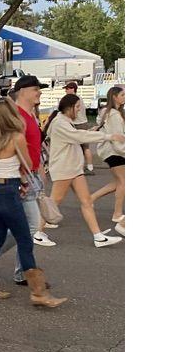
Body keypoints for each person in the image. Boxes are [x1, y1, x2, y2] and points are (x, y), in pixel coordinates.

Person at [0, 100, 65, 308]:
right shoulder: (16, 137)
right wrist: (24, 182)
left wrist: (21, 181)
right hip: (8, 192)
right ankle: (39, 293)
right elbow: (28, 164)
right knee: (25, 239)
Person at [0, 76, 48, 286]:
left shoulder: (21, 120)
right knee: (25, 232)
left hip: (3, 185)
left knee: (2, 234)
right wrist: (26, 180)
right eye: (35, 89)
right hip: (13, 184)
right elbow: (21, 159)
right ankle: (34, 286)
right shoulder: (17, 126)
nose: (39, 92)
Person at [44, 94, 124, 248]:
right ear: (69, 108)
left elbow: (78, 135)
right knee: (53, 203)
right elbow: (79, 136)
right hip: (64, 168)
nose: (79, 111)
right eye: (77, 107)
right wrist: (109, 136)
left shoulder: (64, 121)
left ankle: (98, 236)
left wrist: (97, 132)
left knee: (86, 201)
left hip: (72, 168)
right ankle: (36, 232)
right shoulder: (60, 123)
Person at [90, 86, 125, 235]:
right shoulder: (114, 114)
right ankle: (117, 213)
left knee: (119, 182)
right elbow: (117, 137)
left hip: (110, 150)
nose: (124, 97)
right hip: (114, 151)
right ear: (114, 97)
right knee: (123, 181)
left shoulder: (108, 112)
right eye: (122, 95)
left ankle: (91, 198)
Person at [64, 81, 95, 174]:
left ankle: (78, 167)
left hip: (77, 124)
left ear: (73, 89)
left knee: (76, 148)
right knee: (86, 147)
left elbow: (70, 113)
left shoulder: (72, 99)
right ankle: (90, 167)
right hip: (84, 123)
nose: (66, 90)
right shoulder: (79, 98)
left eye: (67, 88)